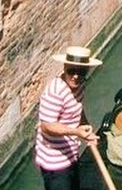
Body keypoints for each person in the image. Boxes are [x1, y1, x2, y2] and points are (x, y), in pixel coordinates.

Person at [35, 45, 102, 190]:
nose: (76, 76)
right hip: (54, 163)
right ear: (65, 67)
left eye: (81, 72)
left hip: (71, 155)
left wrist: (87, 129)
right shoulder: (55, 92)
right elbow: (47, 126)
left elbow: (77, 109)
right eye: (72, 71)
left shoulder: (80, 85)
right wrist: (76, 132)